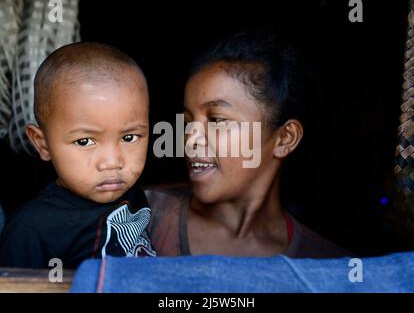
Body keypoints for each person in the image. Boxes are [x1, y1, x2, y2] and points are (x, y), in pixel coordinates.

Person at [147, 32, 351, 258]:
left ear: (285, 138)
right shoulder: (135, 217)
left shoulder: (324, 265)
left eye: (217, 120)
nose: (189, 139)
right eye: (187, 122)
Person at [0, 42, 156, 269]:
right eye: (84, 141)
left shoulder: (134, 196)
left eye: (129, 137)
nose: (112, 163)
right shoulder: (32, 230)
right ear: (42, 144)